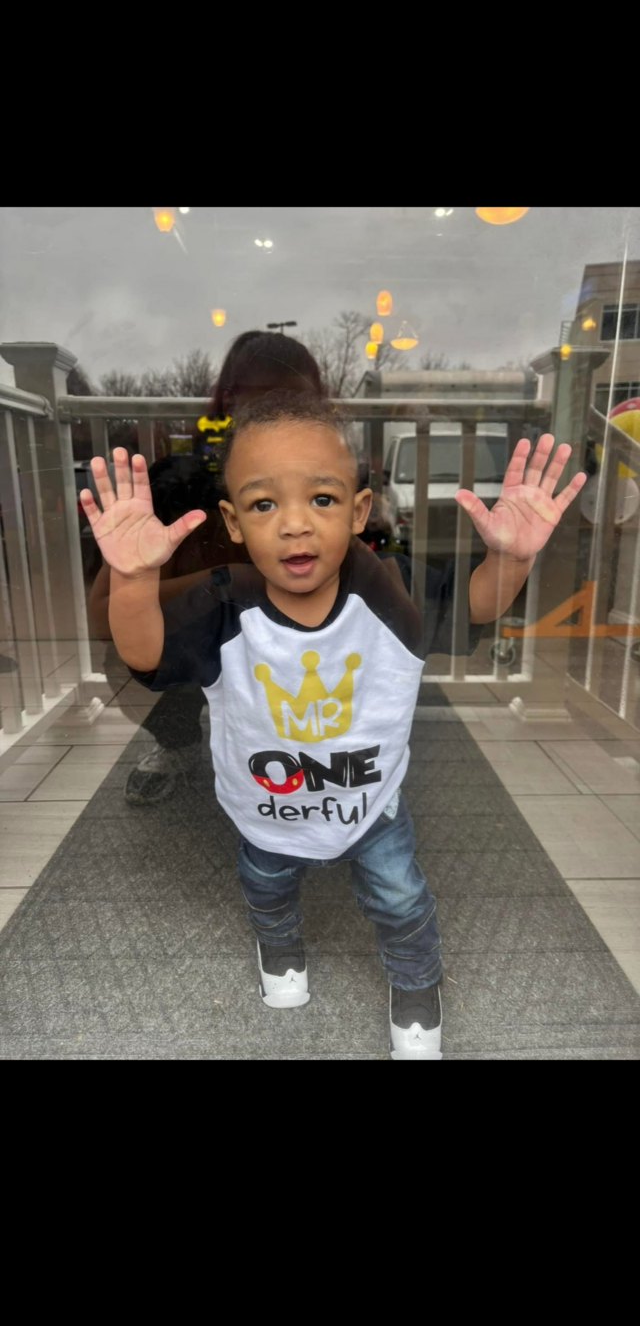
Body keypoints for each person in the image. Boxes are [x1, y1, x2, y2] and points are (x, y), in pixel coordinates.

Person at [79, 395, 586, 1059]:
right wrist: (133, 576)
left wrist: (512, 559)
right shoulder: (223, 603)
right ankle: (279, 946)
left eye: (321, 499)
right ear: (233, 521)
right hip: (266, 806)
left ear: (358, 509)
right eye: (264, 504)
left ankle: (416, 984)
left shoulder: (388, 590)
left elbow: (471, 606)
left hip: (371, 804)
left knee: (400, 896)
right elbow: (145, 652)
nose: (295, 524)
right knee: (267, 883)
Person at [88, 330, 324, 805]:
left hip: (296, 656)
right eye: (263, 399)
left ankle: (312, 743)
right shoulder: (178, 483)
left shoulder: (329, 483)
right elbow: (102, 616)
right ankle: (178, 741)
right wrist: (225, 584)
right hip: (202, 637)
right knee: (126, 653)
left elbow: (363, 592)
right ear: (229, 402)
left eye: (295, 402)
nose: (278, 417)